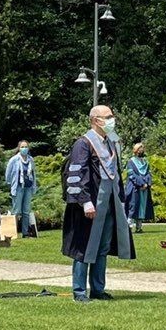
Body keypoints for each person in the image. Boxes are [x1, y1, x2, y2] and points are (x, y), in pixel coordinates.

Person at [61, 104, 135, 301]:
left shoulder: (111, 143)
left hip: (109, 204)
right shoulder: (83, 144)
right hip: (91, 205)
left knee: (102, 248)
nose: (112, 120)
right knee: (84, 247)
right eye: (108, 116)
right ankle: (79, 291)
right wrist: (85, 202)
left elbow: (116, 173)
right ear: (95, 120)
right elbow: (77, 174)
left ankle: (98, 289)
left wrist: (120, 199)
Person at [5, 140, 39, 238]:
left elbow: (33, 174)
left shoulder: (31, 160)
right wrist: (11, 183)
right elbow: (8, 173)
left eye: (26, 147)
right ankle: (13, 233)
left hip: (28, 187)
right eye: (22, 147)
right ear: (19, 148)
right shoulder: (14, 159)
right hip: (18, 187)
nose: (24, 149)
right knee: (16, 211)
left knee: (26, 211)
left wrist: (34, 186)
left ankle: (25, 232)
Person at [124, 142, 153, 232]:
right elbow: (131, 174)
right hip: (134, 188)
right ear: (136, 150)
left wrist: (147, 183)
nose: (142, 150)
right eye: (140, 148)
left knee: (142, 207)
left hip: (144, 189)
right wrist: (141, 184)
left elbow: (149, 174)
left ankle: (139, 227)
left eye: (143, 148)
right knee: (133, 206)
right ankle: (128, 227)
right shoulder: (131, 162)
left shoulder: (145, 162)